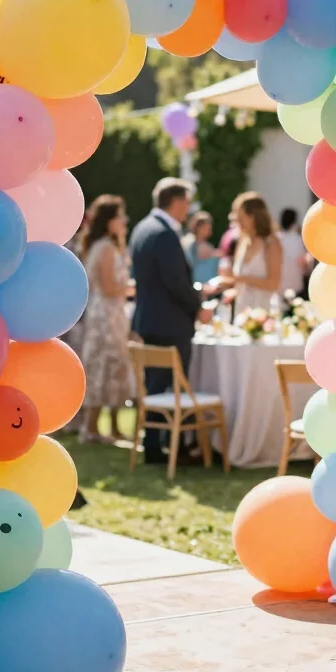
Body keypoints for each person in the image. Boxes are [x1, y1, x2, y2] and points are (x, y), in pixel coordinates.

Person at [130, 178, 210, 464]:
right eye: (186, 202)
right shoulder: (164, 233)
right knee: (173, 386)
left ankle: (154, 445)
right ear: (175, 202)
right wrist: (198, 306)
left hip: (150, 320)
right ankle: (172, 447)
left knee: (155, 386)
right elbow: (174, 281)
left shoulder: (142, 228)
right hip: (170, 323)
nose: (188, 208)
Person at [79, 195, 133, 444]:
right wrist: (132, 289)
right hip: (106, 315)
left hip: (109, 313)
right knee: (102, 366)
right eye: (120, 216)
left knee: (113, 366)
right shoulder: (105, 249)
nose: (124, 221)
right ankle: (91, 428)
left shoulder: (104, 246)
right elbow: (110, 288)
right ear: (109, 220)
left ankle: (112, 426)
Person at [226, 192, 283, 313]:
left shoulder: (271, 244)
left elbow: (274, 283)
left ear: (254, 216)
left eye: (242, 217)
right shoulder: (242, 242)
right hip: (240, 312)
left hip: (263, 313)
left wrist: (243, 279)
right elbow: (238, 281)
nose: (238, 222)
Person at [182, 211, 219, 285]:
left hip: (210, 285)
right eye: (206, 227)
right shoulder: (189, 242)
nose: (208, 229)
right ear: (198, 227)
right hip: (195, 285)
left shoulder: (208, 245)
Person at [277, 207, 306, 297]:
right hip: (295, 284)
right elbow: (302, 262)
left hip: (279, 285)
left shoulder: (276, 239)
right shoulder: (298, 239)